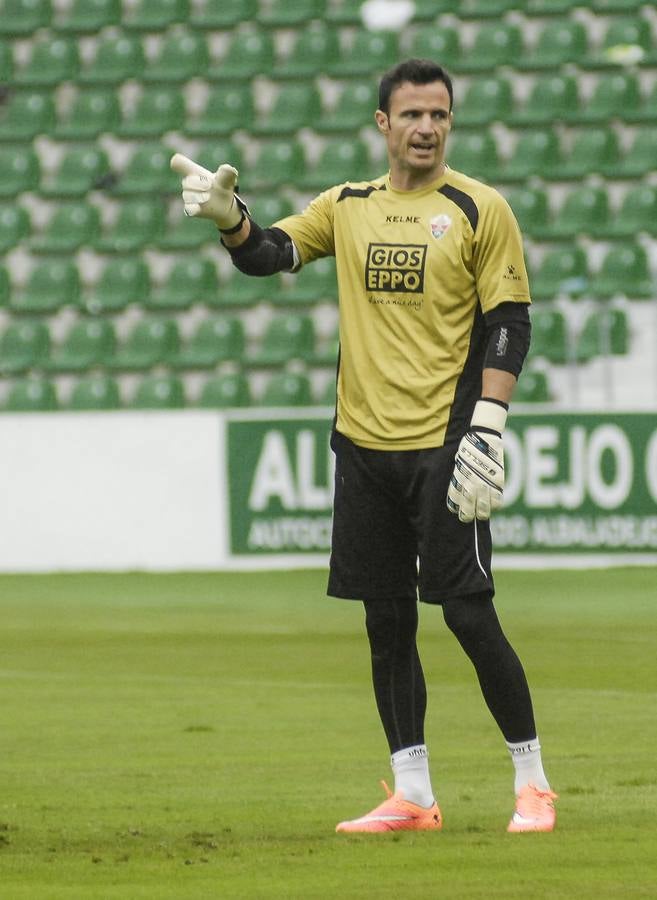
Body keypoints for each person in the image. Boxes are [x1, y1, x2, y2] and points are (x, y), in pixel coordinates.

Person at [171, 58, 557, 834]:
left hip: (445, 444)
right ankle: (412, 794)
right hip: (362, 446)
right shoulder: (345, 206)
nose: (426, 127)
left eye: (439, 115)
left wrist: (489, 423)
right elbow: (270, 254)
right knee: (386, 620)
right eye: (411, 114)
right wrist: (228, 219)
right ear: (382, 123)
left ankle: (533, 783)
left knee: (468, 615)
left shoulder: (480, 209)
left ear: (450, 123)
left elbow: (509, 322)